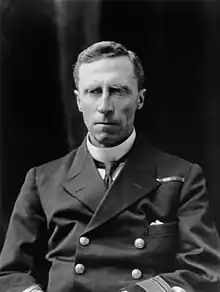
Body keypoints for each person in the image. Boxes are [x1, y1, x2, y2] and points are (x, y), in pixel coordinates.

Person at [0, 41, 220, 292]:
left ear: (140, 99)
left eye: (118, 91)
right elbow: (10, 272)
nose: (104, 106)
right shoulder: (42, 180)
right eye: (93, 91)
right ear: (78, 100)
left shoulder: (182, 177)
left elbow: (205, 271)